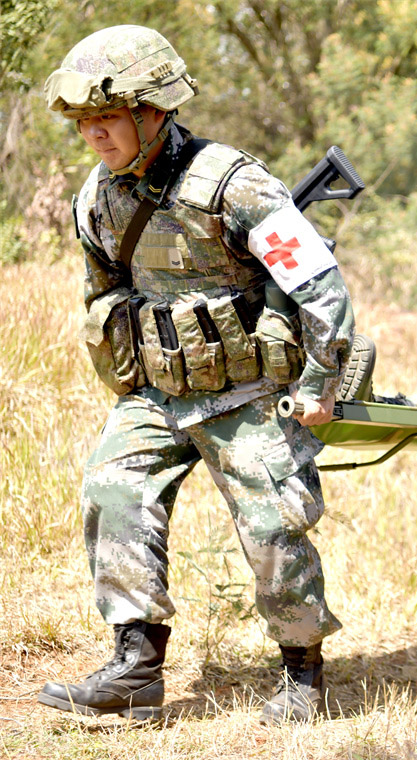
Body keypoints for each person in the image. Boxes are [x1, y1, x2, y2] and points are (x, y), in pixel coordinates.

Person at [37, 25, 354, 725]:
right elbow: (105, 292)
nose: (93, 134)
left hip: (248, 391)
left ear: (153, 110)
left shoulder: (234, 183)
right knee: (113, 491)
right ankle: (135, 670)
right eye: (83, 122)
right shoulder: (97, 196)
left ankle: (302, 674)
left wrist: (319, 384)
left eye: (106, 117)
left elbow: (319, 285)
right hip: (160, 392)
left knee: (272, 525)